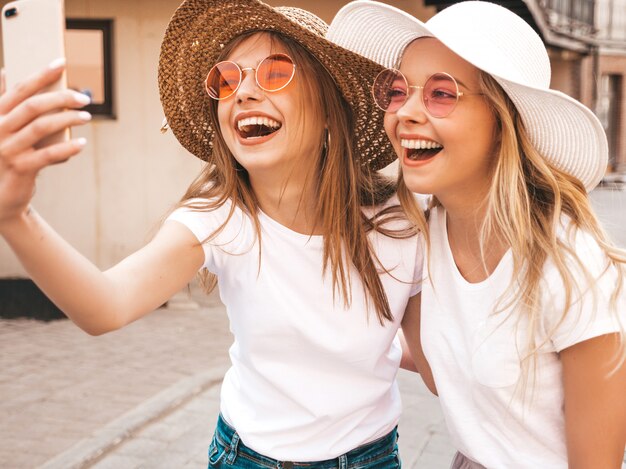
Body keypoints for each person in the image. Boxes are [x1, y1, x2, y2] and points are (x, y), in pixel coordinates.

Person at [0, 0, 426, 467]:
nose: (242, 93)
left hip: (372, 458)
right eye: (227, 80)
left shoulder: (400, 224)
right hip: (245, 457)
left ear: (329, 107)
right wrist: (15, 216)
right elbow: (105, 306)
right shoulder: (219, 219)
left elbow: (430, 359)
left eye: (274, 72)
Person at [328, 1, 626, 468]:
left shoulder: (570, 267)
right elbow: (438, 368)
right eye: (397, 89)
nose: (404, 112)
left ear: (504, 122)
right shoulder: (423, 231)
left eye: (442, 94)